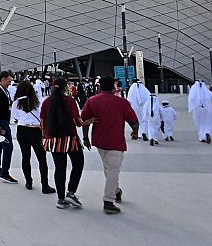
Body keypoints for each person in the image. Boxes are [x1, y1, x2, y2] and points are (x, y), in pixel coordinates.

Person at [80, 76, 139, 214]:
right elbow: (134, 121)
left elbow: (85, 120)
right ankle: (108, 201)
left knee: (108, 168)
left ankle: (116, 190)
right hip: (115, 141)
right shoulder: (121, 102)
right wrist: (135, 133)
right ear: (114, 87)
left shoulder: (92, 101)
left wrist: (85, 138)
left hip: (99, 141)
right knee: (113, 170)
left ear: (99, 87)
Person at [41, 77, 89, 209]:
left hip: (53, 140)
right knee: (78, 164)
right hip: (70, 139)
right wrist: (88, 122)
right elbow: (77, 122)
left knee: (59, 168)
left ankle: (60, 199)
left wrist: (44, 137)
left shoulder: (47, 102)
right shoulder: (70, 101)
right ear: (65, 88)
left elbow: (42, 123)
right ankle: (71, 192)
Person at [12, 80, 55, 193]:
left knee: (25, 157)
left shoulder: (16, 103)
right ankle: (45, 185)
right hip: (35, 131)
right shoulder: (37, 102)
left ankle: (28, 181)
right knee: (42, 158)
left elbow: (15, 117)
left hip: (22, 130)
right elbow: (43, 116)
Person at [0, 70, 17, 184]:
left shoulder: (3, 90)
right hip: (1, 123)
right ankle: (4, 173)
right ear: (3, 79)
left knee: (0, 145)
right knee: (8, 146)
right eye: (9, 81)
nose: (10, 83)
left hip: (3, 121)